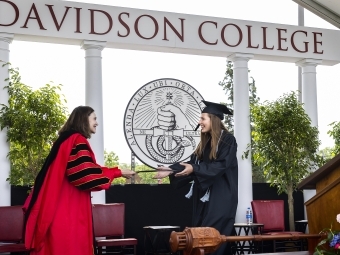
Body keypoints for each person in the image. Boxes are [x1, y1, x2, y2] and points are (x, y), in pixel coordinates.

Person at [23, 106, 135, 255]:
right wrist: (116, 172)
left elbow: (83, 170)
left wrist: (117, 172)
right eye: (94, 119)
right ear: (83, 119)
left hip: (59, 207)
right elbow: (85, 175)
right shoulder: (77, 140)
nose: (97, 123)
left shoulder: (64, 141)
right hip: (68, 212)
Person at [155, 100, 238, 255]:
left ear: (213, 119)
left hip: (221, 198)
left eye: (203, 118)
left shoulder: (228, 140)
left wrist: (194, 168)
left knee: (211, 238)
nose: (199, 122)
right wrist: (169, 170)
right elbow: (192, 163)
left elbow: (220, 166)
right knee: (199, 235)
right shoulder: (205, 143)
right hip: (204, 198)